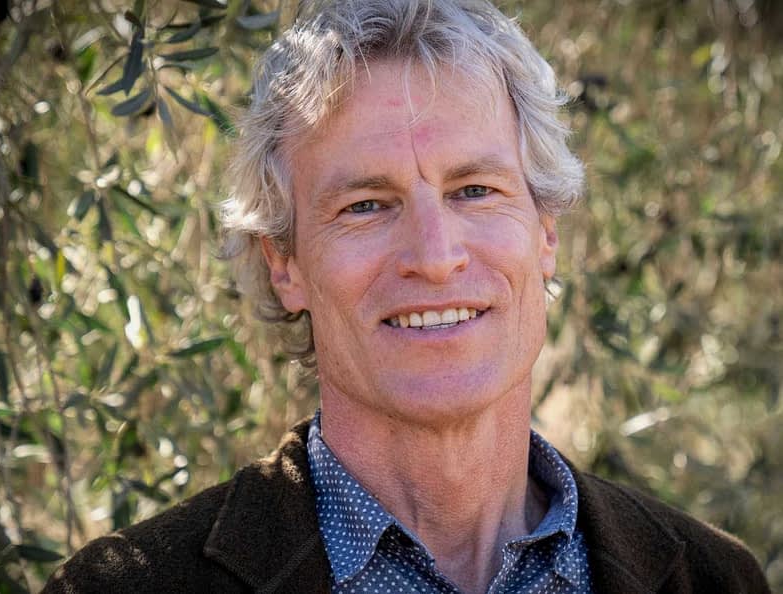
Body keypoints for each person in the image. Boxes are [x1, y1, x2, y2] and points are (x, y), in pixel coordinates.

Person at [43, 0, 771, 592]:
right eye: (366, 205)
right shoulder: (128, 587)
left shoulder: (714, 577)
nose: (434, 256)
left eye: (476, 190)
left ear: (545, 231)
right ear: (284, 263)